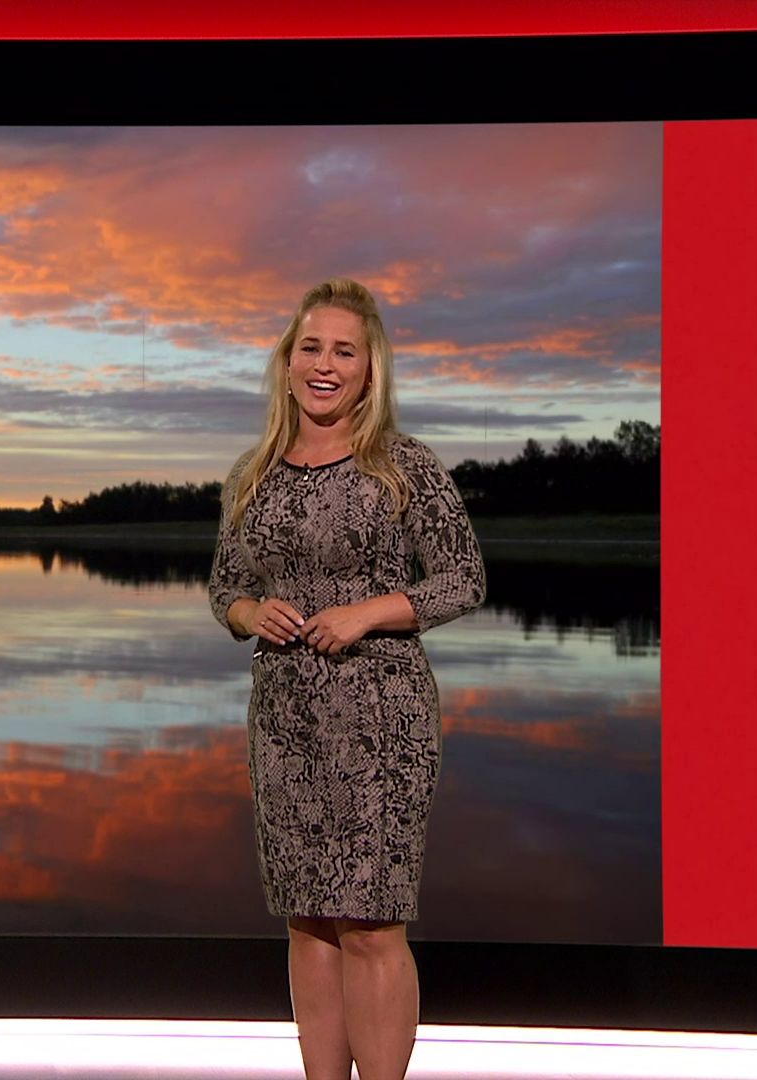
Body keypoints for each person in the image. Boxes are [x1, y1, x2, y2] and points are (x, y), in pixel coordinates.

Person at [208, 278, 485, 1080]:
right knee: (307, 921)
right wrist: (251, 612)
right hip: (284, 722)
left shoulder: (402, 464)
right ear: (287, 361)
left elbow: (463, 578)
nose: (324, 365)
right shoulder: (253, 473)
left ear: (369, 371)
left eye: (344, 352)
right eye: (311, 348)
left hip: (380, 719)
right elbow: (226, 587)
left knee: (370, 923)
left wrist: (367, 613)